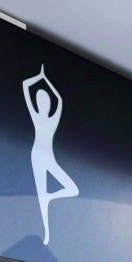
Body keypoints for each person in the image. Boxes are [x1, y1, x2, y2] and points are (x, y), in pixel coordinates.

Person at [23, 66, 79, 245]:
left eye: (45, 101)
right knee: (41, 195)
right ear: (38, 103)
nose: (43, 104)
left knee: (73, 189)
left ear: (48, 104)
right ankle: (46, 233)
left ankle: (51, 197)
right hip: (37, 155)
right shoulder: (35, 116)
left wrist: (46, 80)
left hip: (49, 157)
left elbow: (59, 100)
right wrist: (39, 77)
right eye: (41, 101)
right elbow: (25, 86)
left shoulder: (52, 119)